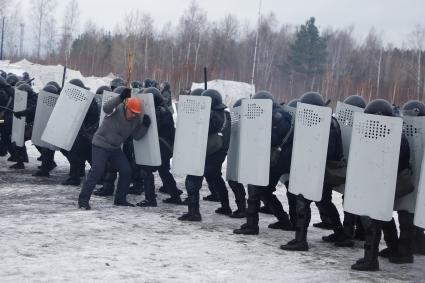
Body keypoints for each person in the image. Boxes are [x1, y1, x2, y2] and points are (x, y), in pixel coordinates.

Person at [350, 99, 410, 271]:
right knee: (383, 216)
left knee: (374, 220)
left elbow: (396, 162)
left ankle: (370, 260)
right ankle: (394, 249)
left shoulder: (395, 135)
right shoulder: (394, 132)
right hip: (382, 181)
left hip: (387, 181)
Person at [280, 91, 343, 251]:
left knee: (303, 201)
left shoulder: (324, 124)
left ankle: (301, 240)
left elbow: (324, 149)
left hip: (318, 169)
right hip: (322, 170)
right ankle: (341, 234)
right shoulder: (330, 121)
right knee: (323, 201)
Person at [78, 87, 151, 209]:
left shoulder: (135, 119)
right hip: (100, 145)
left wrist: (144, 126)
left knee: (126, 171)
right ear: (127, 107)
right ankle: (83, 201)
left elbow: (137, 136)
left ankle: (120, 199)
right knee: (97, 171)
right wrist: (121, 97)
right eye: (132, 112)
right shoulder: (117, 109)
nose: (133, 115)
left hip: (115, 148)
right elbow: (106, 107)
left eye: (136, 113)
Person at [233, 91, 294, 235]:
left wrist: (256, 131)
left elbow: (272, 138)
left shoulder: (278, 117)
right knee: (265, 192)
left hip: (275, 160)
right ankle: (284, 221)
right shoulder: (277, 114)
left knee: (255, 189)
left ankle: (252, 225)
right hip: (275, 160)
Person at [178, 89, 227, 221]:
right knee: (209, 179)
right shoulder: (218, 113)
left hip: (209, 154)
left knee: (192, 181)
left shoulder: (215, 116)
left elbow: (202, 126)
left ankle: (194, 213)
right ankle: (223, 206)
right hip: (210, 154)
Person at [136, 87, 183, 207]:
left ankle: (150, 199)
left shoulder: (160, 112)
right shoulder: (163, 110)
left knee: (146, 171)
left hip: (162, 146)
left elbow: (154, 128)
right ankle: (175, 196)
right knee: (164, 172)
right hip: (165, 147)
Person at [61, 79, 99, 186]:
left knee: (75, 153)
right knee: (85, 155)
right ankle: (94, 175)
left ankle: (75, 178)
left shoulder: (86, 99)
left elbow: (83, 115)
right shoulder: (87, 98)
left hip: (86, 133)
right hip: (84, 133)